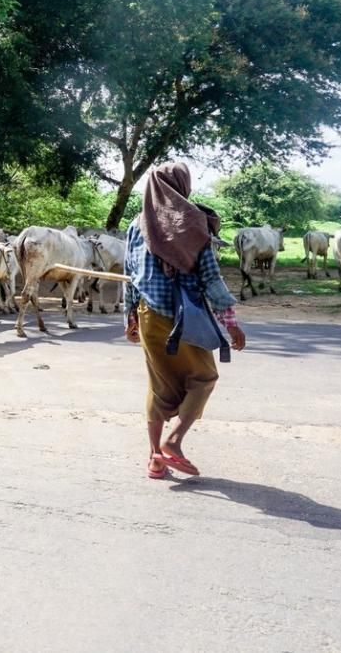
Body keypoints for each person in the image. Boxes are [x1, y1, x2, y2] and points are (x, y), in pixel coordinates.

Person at [124, 162, 246, 480]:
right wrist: (229, 321)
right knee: (204, 378)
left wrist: (129, 317)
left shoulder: (137, 225)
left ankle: (155, 460)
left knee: (159, 386)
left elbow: (130, 276)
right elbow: (210, 277)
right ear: (182, 184)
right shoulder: (192, 223)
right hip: (183, 314)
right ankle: (172, 442)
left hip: (148, 315)